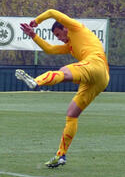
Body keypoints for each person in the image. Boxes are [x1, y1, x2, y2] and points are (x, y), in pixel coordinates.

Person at [16, 9, 110, 168]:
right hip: (100, 79)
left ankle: (36, 82)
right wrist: (33, 35)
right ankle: (61, 155)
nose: (59, 39)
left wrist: (37, 21)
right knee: (72, 114)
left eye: (59, 35)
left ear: (65, 28)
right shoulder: (71, 45)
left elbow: (52, 12)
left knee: (64, 71)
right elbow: (50, 50)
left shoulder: (76, 28)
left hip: (96, 64)